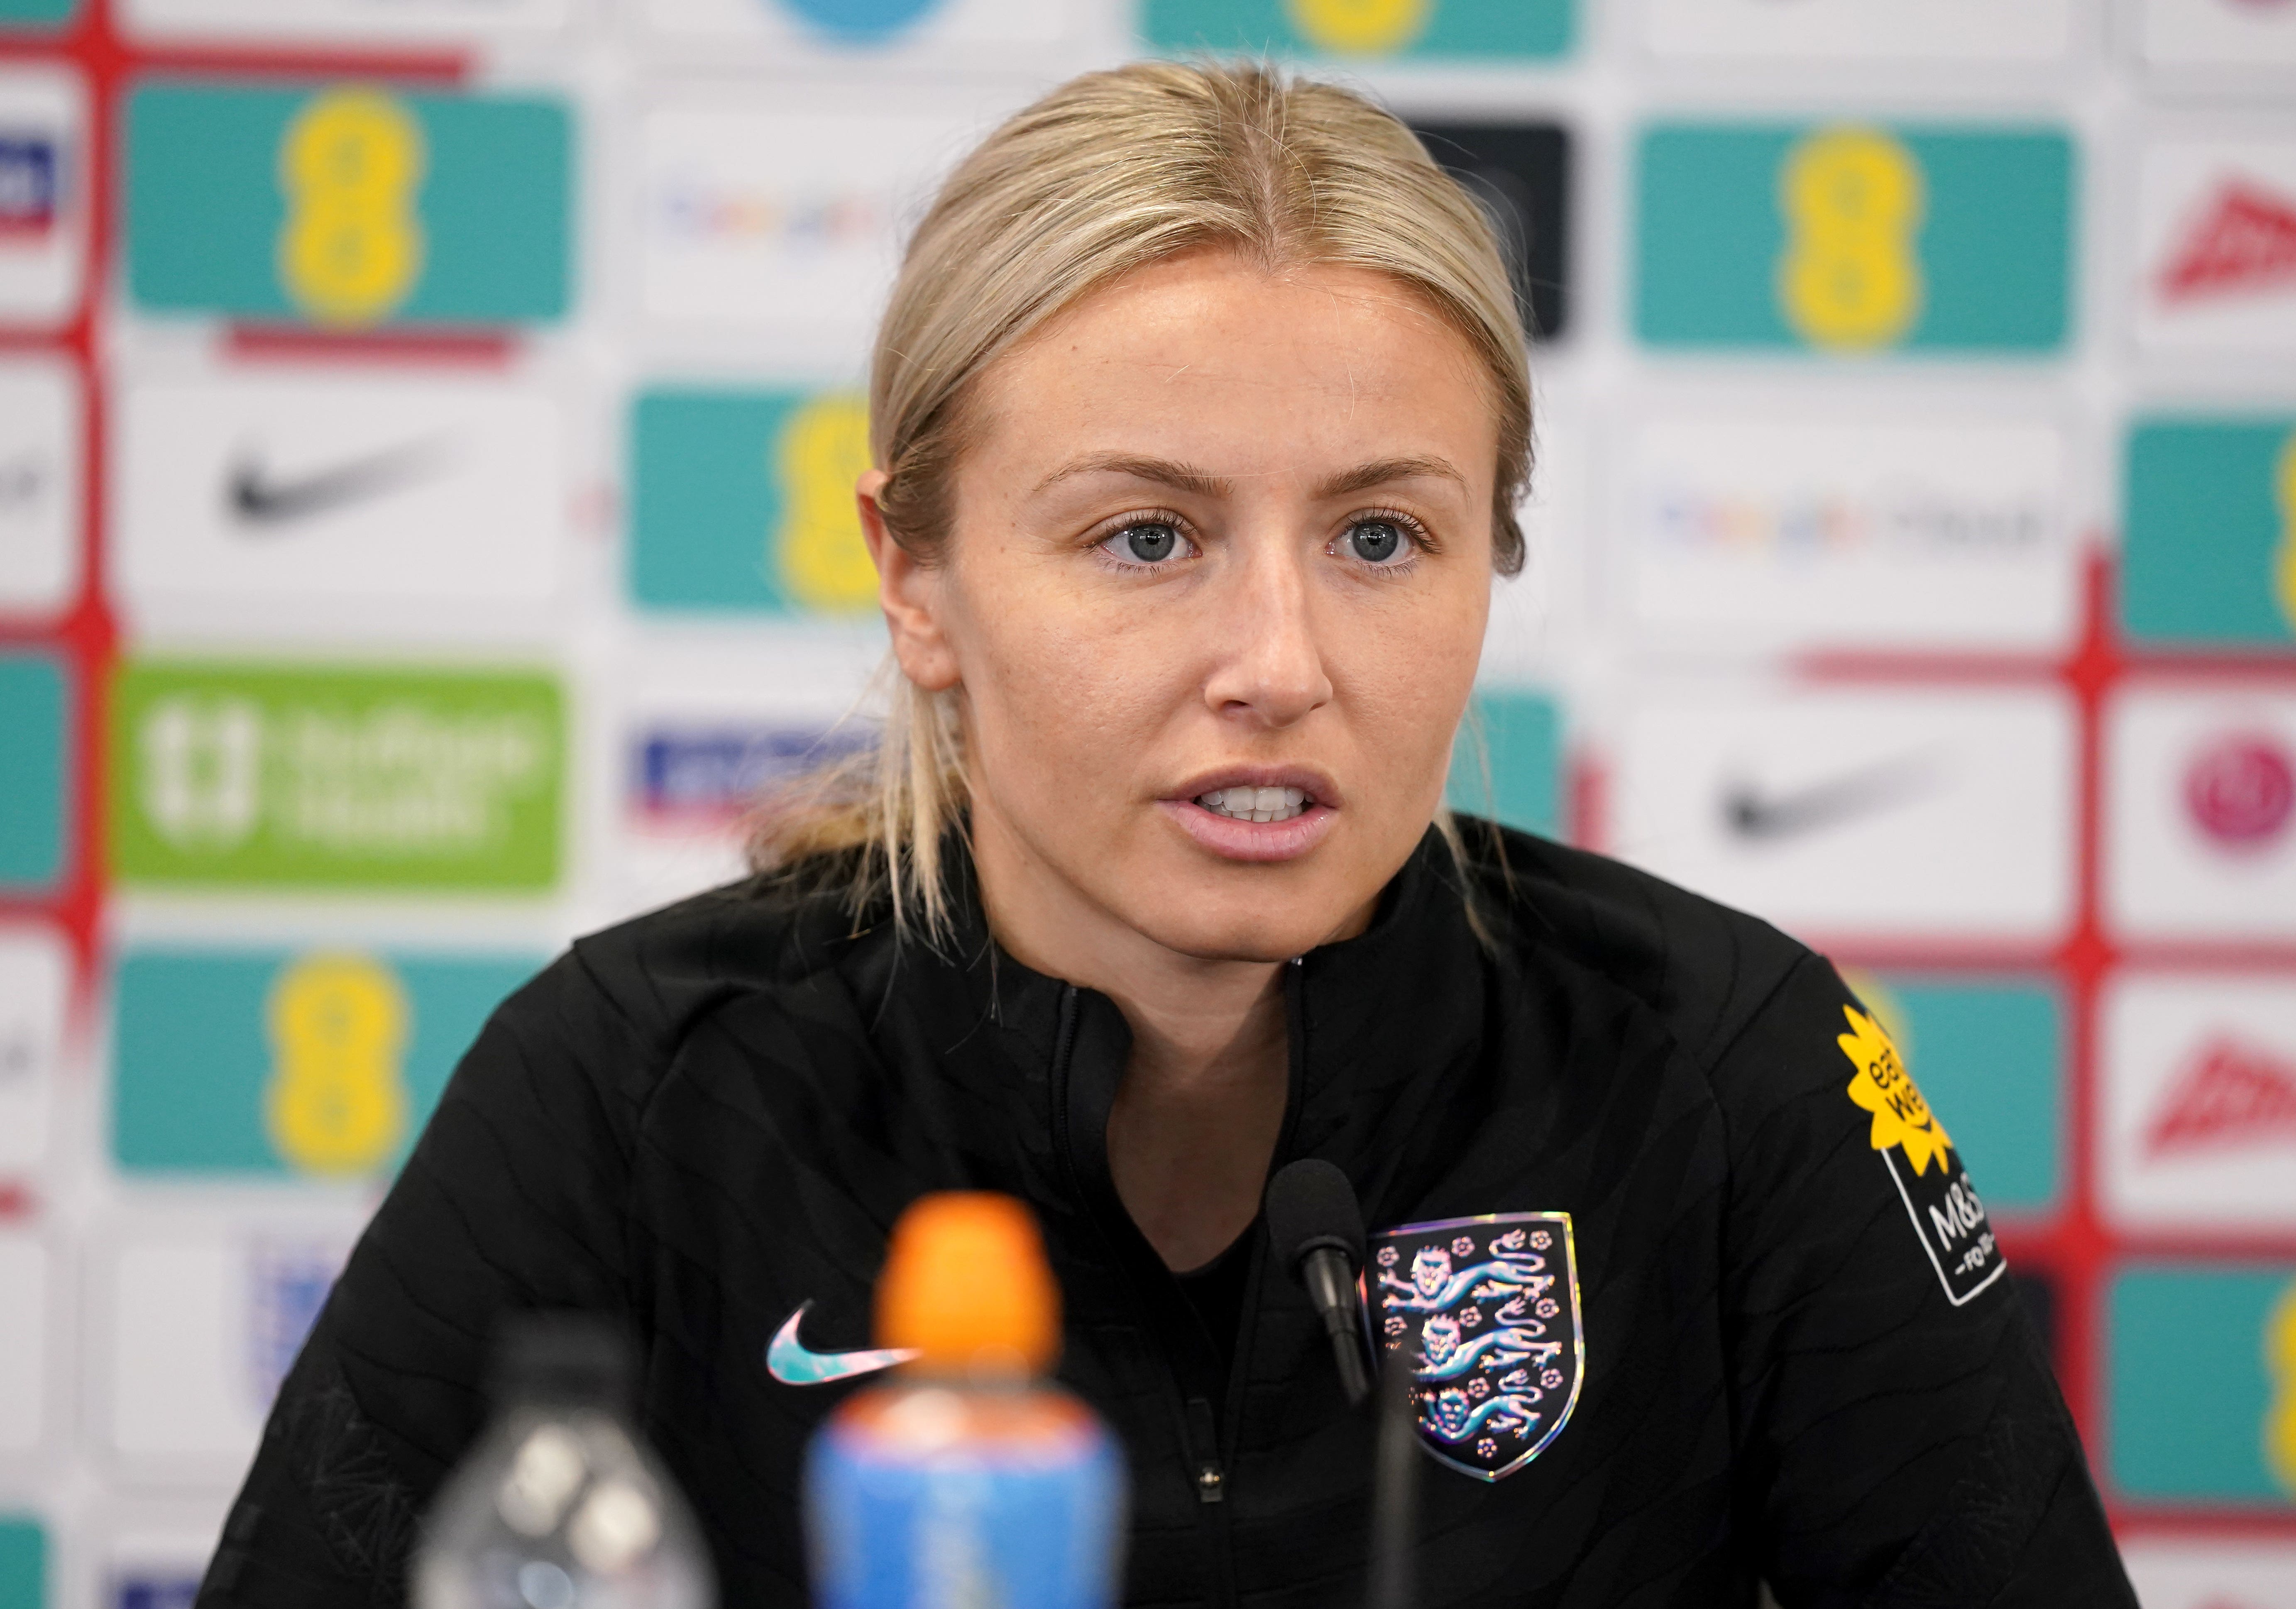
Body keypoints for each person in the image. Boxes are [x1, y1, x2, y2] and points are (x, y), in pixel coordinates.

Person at [197, 61, 2135, 1609]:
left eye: (1381, 536)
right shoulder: (626, 1089)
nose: (1278, 665)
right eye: (1146, 537)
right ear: (919, 577)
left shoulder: (1717, 1061)